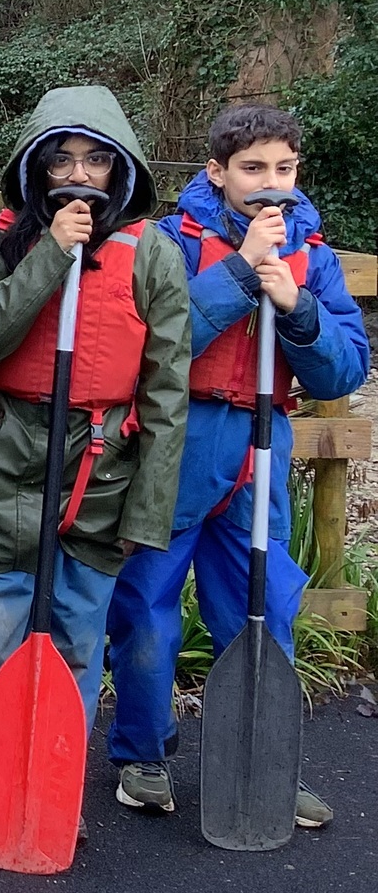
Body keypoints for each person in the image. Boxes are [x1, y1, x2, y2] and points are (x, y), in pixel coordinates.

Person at [0, 86, 190, 865]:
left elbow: (168, 392)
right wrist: (52, 254)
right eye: (62, 160)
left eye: (95, 160)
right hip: (4, 453)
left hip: (101, 465)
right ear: (37, 168)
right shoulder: (3, 234)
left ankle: (49, 778)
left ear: (120, 168)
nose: (79, 174)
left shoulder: (153, 253)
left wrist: (148, 514)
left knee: (75, 632)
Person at [107, 104, 367, 826]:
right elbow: (156, 338)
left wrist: (298, 307)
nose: (270, 183)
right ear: (217, 172)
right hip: (177, 441)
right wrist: (242, 273)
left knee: (262, 604)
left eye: (284, 168)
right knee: (146, 605)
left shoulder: (312, 257)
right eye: (253, 169)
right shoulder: (173, 241)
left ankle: (262, 760)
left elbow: (344, 370)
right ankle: (142, 754)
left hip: (261, 445)